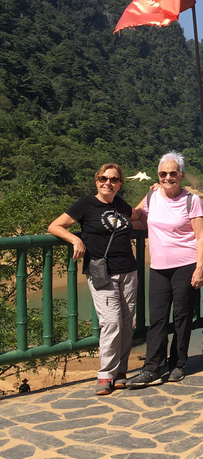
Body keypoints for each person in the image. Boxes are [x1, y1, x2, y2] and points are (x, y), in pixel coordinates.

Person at [48, 163, 144, 395]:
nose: (107, 183)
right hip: (102, 273)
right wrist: (76, 240)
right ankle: (105, 374)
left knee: (126, 324)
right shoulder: (85, 204)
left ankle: (121, 371)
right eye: (103, 178)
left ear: (120, 184)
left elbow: (138, 217)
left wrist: (151, 195)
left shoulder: (121, 205)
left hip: (128, 270)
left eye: (113, 179)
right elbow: (55, 226)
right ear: (96, 181)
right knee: (110, 322)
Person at [125, 153, 203, 388]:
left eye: (173, 173)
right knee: (158, 319)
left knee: (182, 317)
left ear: (181, 175)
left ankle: (178, 364)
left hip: (185, 265)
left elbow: (202, 236)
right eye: (163, 173)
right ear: (158, 175)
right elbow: (138, 218)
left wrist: (199, 268)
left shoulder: (192, 201)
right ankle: (152, 367)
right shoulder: (152, 196)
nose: (168, 177)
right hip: (159, 267)